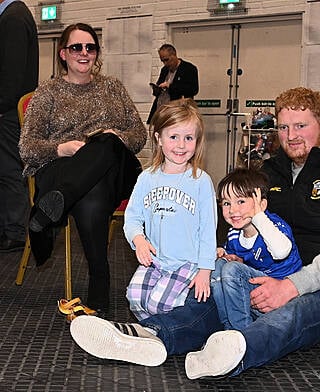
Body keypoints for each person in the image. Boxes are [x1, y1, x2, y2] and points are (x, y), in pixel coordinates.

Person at [69, 87, 320, 377]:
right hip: (265, 275)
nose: (291, 136)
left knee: (293, 315)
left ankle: (236, 349)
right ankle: (150, 336)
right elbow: (244, 224)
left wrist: (291, 286)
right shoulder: (270, 172)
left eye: (301, 126)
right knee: (216, 285)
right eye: (284, 127)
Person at [19, 23, 146, 312]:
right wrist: (61, 148)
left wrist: (115, 139)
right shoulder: (47, 92)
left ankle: (52, 208)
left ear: (97, 53)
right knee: (91, 194)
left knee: (105, 142)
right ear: (63, 53)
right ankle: (99, 286)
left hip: (113, 170)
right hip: (63, 167)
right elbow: (27, 148)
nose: (84, 53)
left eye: (90, 47)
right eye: (77, 47)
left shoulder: (112, 87)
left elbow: (139, 135)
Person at [124, 99, 217, 321]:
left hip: (187, 263)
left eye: (188, 138)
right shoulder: (147, 178)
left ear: (197, 141)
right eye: (173, 137)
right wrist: (139, 240)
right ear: (159, 138)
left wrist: (205, 270)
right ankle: (150, 330)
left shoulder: (201, 181)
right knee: (134, 296)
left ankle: (162, 330)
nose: (181, 145)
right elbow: (133, 217)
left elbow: (208, 230)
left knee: (159, 303)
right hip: (157, 260)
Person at [211, 167, 302, 331]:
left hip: (283, 299)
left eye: (241, 201)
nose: (232, 210)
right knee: (218, 266)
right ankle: (227, 327)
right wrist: (225, 254)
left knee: (231, 269)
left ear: (262, 204)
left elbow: (281, 251)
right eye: (226, 203)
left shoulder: (274, 225)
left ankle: (243, 333)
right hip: (257, 295)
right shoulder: (233, 234)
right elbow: (237, 260)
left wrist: (259, 216)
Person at [0, 0, 37, 252]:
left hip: (8, 112)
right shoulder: (16, 14)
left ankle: (13, 232)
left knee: (9, 171)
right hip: (10, 110)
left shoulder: (12, 18)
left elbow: (10, 74)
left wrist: (1, 106)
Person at [147, 44, 199, 124]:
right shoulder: (164, 70)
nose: (165, 63)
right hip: (162, 109)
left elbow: (193, 89)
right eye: (162, 61)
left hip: (178, 110)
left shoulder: (189, 68)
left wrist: (170, 86)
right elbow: (160, 85)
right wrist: (156, 89)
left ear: (174, 55)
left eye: (166, 60)